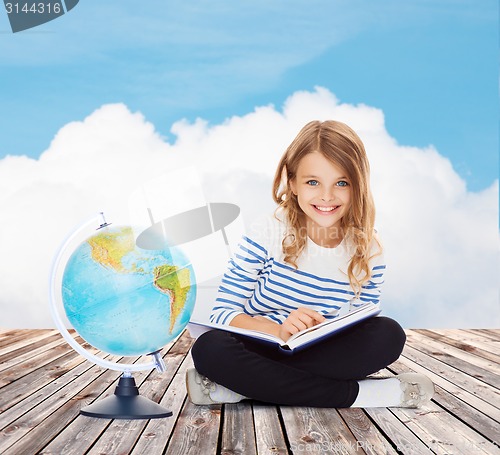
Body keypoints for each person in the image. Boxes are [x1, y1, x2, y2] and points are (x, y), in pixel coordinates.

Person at [186, 120, 434, 408]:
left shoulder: (370, 249)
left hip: (317, 353)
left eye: (342, 183)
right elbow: (222, 314)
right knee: (210, 348)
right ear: (292, 183)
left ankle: (241, 390)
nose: (327, 196)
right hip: (261, 347)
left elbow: (360, 324)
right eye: (312, 182)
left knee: (388, 334)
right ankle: (360, 395)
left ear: (358, 187)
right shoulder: (268, 231)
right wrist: (279, 331)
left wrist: (321, 330)